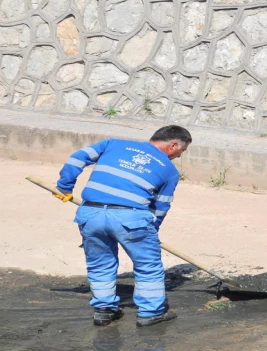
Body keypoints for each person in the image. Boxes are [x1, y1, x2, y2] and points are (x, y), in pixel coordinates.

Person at [54, 125, 191, 327]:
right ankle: (151, 312)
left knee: (100, 263)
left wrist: (64, 187)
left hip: (90, 213)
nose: (179, 156)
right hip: (131, 217)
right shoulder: (169, 171)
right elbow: (161, 207)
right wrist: (152, 231)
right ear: (173, 145)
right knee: (148, 266)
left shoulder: (113, 144)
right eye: (182, 151)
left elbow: (77, 157)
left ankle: (104, 311)